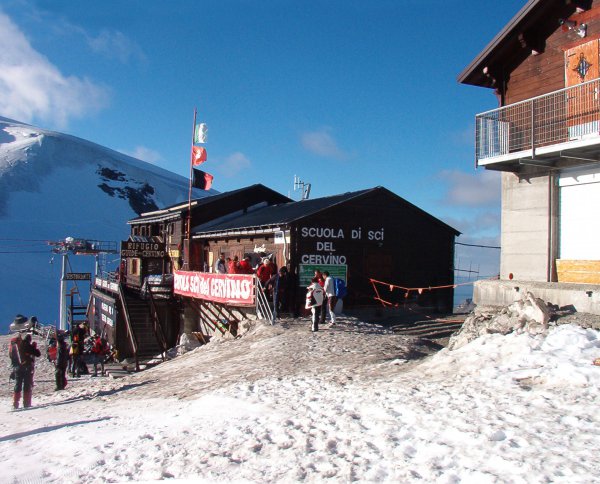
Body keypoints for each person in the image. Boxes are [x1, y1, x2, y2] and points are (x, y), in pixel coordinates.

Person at [10, 333, 41, 409]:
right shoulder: (28, 345)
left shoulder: (17, 346)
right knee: (27, 385)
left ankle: (15, 403)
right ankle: (26, 403)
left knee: (18, 385)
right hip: (27, 368)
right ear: (29, 340)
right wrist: (34, 347)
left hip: (17, 368)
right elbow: (38, 354)